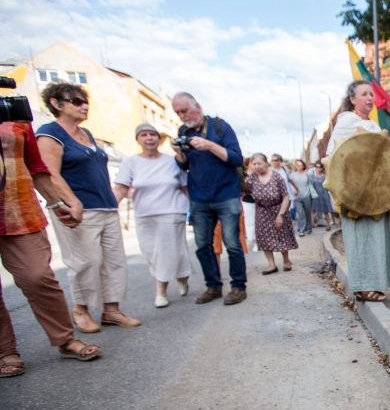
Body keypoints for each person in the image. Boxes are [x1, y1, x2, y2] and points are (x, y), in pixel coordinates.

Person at [37, 82, 140, 332]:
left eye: (85, 102)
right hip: (79, 208)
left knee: (114, 260)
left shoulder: (87, 135)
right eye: (76, 101)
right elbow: (49, 173)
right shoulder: (50, 133)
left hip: (105, 206)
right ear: (56, 103)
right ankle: (81, 309)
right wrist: (70, 203)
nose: (84, 106)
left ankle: (112, 310)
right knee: (86, 261)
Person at [1, 120, 100, 375]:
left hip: (18, 210)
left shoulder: (14, 119)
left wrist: (58, 204)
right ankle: (5, 351)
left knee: (38, 277)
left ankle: (65, 339)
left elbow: (36, 167)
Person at [326, 80, 390, 302]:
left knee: (377, 239)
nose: (370, 98)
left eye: (371, 94)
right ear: (352, 99)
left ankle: (378, 282)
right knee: (361, 239)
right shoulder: (346, 122)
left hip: (376, 193)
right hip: (356, 195)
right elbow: (337, 158)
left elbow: (382, 157)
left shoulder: (370, 124)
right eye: (364, 94)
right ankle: (363, 287)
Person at [171, 92, 246, 305]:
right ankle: (213, 287)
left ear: (198, 106)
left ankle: (239, 287)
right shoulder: (183, 131)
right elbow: (184, 165)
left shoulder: (220, 127)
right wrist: (179, 154)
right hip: (199, 198)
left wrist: (210, 145)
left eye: (184, 110)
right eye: (177, 112)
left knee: (232, 244)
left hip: (226, 194)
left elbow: (236, 158)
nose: (182, 116)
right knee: (203, 245)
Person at [113, 123, 192, 308]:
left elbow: (185, 187)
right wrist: (109, 207)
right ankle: (182, 275)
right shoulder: (130, 162)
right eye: (144, 135)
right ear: (138, 139)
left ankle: (161, 292)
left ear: (159, 139)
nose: (149, 138)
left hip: (172, 210)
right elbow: (121, 187)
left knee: (164, 252)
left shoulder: (172, 161)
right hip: (144, 214)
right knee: (152, 253)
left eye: (153, 135)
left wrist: (194, 211)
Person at [246, 153, 297, 274]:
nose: (257, 166)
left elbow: (286, 197)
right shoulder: (252, 178)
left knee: (282, 235)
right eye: (254, 164)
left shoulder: (276, 177)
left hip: (277, 209)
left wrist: (281, 214)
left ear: (266, 163)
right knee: (264, 238)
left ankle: (286, 260)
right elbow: (245, 192)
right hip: (261, 211)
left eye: (259, 163)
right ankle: (271, 264)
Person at [289, 158, 314, 236]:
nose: (298, 166)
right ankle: (302, 230)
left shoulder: (308, 174)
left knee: (307, 213)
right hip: (297, 197)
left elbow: (311, 184)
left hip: (307, 196)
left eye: (300, 164)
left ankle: (309, 228)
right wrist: (293, 190)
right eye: (297, 164)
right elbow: (290, 184)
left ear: (303, 165)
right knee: (300, 213)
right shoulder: (292, 174)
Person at [309, 161, 334, 230]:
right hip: (315, 195)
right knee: (313, 210)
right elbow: (311, 186)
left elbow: (328, 185)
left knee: (326, 211)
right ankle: (312, 223)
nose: (318, 168)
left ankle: (328, 225)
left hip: (324, 195)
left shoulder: (325, 176)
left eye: (319, 167)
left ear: (322, 168)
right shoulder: (312, 176)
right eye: (316, 167)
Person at [241, 156, 257, 250]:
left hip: (259, 201)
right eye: (253, 163)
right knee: (250, 222)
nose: (255, 165)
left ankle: (257, 241)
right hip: (247, 200)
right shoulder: (243, 175)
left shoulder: (258, 174)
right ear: (247, 165)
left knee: (259, 221)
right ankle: (251, 241)